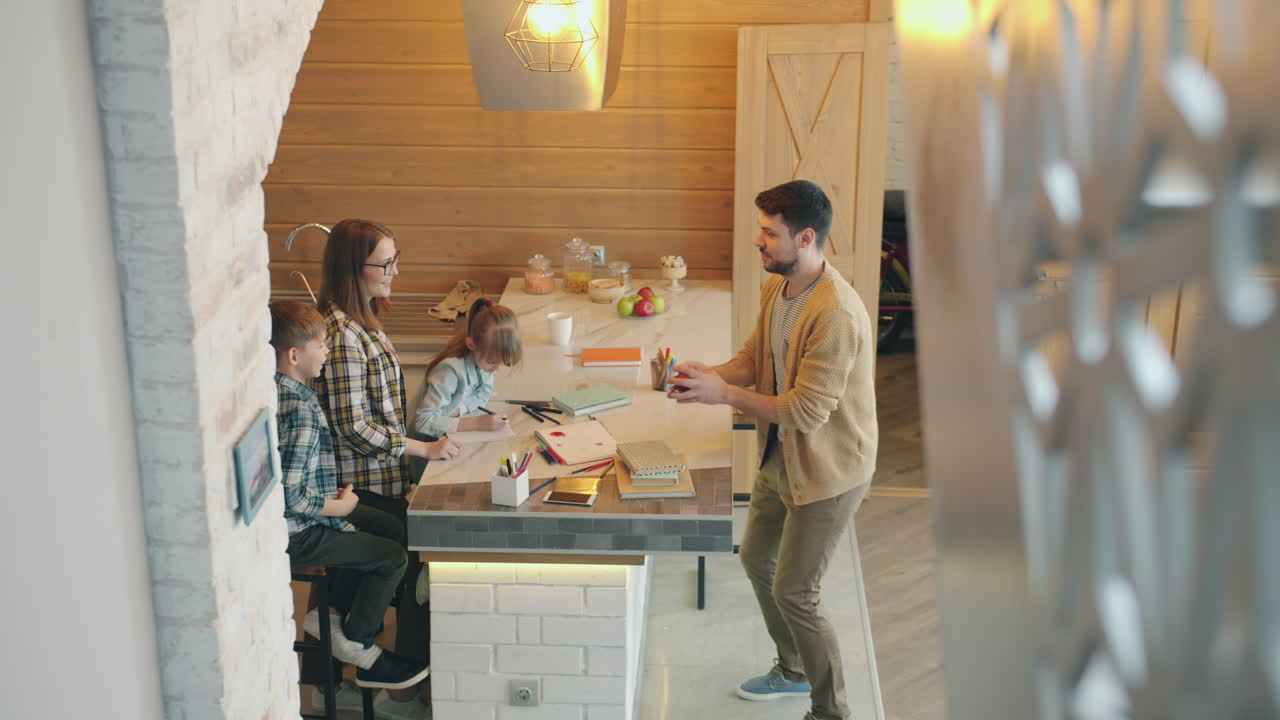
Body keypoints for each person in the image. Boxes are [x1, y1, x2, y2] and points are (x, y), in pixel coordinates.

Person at [667, 180, 878, 720]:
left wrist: (725, 396)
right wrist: (707, 376)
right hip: (780, 457)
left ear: (805, 237)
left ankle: (831, 711)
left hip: (830, 471)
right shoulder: (778, 288)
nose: (758, 242)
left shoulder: (836, 313)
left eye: (769, 233)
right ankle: (793, 669)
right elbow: (755, 360)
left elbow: (807, 412)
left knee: (796, 592)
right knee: (758, 559)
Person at [313, 218, 459, 717]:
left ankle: (349, 643)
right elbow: (352, 427)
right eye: (387, 262)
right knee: (411, 551)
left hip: (379, 477)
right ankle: (375, 670)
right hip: (359, 485)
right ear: (357, 267)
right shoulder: (340, 335)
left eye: (396, 258)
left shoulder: (362, 322)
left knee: (409, 551)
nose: (396, 270)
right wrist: (424, 449)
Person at [270, 301, 431, 692]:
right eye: (321, 346)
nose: (327, 351)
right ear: (294, 355)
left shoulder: (285, 392)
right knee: (392, 558)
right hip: (300, 529)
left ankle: (329, 615)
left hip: (314, 507)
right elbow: (291, 497)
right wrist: (338, 507)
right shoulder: (301, 409)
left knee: (392, 526)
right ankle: (358, 647)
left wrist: (333, 499)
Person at [407, 297, 522, 478]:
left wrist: (455, 410)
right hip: (429, 454)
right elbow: (422, 422)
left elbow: (483, 392)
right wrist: (476, 423)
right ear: (471, 345)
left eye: (501, 363)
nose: (495, 369)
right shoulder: (451, 371)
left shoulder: (483, 358)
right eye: (492, 362)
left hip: (452, 442)